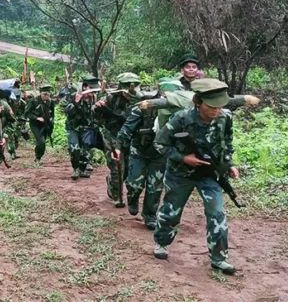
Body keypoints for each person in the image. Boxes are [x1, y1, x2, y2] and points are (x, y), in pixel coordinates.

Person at [151, 78, 240, 275]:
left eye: (219, 106)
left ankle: (219, 258)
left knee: (217, 213)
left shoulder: (225, 117)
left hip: (209, 173)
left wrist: (229, 164)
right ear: (198, 102)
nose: (216, 111)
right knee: (171, 211)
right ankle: (161, 243)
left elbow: (227, 143)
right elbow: (159, 144)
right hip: (180, 173)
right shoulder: (181, 118)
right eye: (211, 107)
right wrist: (183, 158)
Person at [117, 79, 193, 229]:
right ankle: (132, 197)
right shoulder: (144, 107)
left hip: (160, 155)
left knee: (155, 187)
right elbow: (126, 129)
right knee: (135, 183)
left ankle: (150, 215)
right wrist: (118, 147)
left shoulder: (182, 113)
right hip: (139, 150)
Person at [94, 72, 142, 208]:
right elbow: (96, 116)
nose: (130, 88)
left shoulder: (140, 99)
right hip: (112, 135)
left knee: (126, 170)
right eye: (127, 85)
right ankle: (117, 196)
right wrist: (98, 107)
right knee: (117, 167)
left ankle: (111, 182)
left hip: (130, 137)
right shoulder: (111, 98)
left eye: (134, 85)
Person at [64, 80, 98, 180]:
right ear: (84, 88)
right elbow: (68, 112)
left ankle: (82, 169)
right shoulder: (74, 96)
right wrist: (76, 102)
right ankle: (76, 169)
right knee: (74, 148)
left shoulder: (93, 99)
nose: (92, 92)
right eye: (91, 89)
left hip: (86, 128)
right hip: (73, 128)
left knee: (85, 149)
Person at [24, 84, 55, 164]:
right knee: (41, 141)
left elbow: (52, 114)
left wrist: (51, 121)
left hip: (45, 125)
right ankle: (37, 158)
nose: (46, 96)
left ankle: (38, 157)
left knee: (42, 143)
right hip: (35, 124)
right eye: (44, 94)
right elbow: (27, 113)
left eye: (48, 94)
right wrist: (37, 118)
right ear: (40, 93)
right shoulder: (33, 101)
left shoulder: (51, 102)